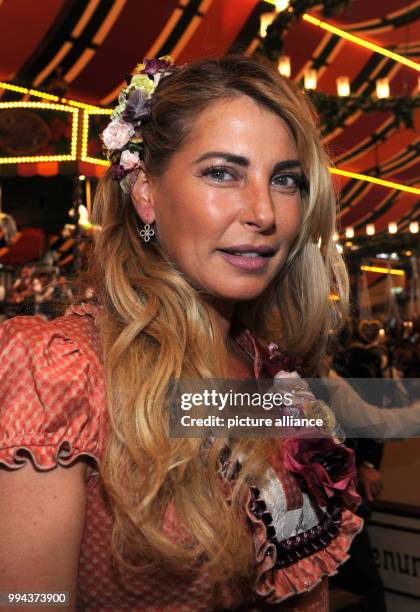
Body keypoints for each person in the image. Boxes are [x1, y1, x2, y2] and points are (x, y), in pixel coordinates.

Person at [0, 55, 362, 611]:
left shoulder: (278, 377)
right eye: (222, 172)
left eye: (285, 179)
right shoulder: (61, 372)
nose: (264, 212)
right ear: (146, 191)